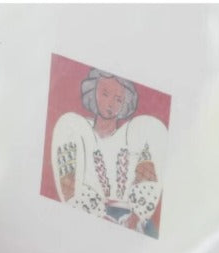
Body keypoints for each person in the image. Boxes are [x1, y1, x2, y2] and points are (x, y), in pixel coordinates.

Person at [52, 68, 167, 238]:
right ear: (93, 92)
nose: (111, 103)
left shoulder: (136, 134)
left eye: (118, 99)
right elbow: (69, 189)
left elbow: (148, 181)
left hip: (133, 224)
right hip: (88, 222)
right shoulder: (74, 129)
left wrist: (135, 217)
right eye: (105, 94)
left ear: (124, 103)